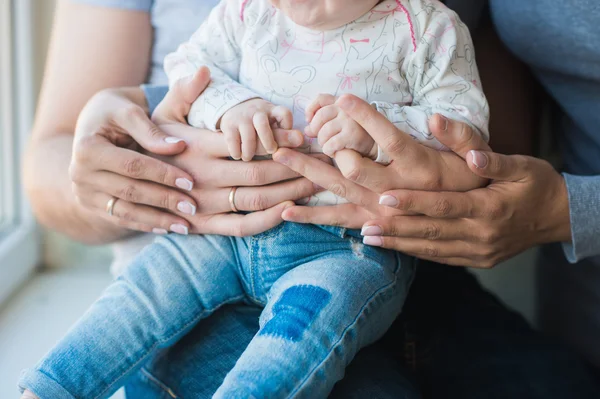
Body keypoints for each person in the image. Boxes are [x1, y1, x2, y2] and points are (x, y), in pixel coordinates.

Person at [19, 0, 599, 398]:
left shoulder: (427, 26)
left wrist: (385, 128)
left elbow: (472, 128)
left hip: (346, 252)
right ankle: (48, 385)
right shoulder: (248, 13)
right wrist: (223, 109)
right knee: (139, 303)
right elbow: (191, 69)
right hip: (211, 239)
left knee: (300, 343)